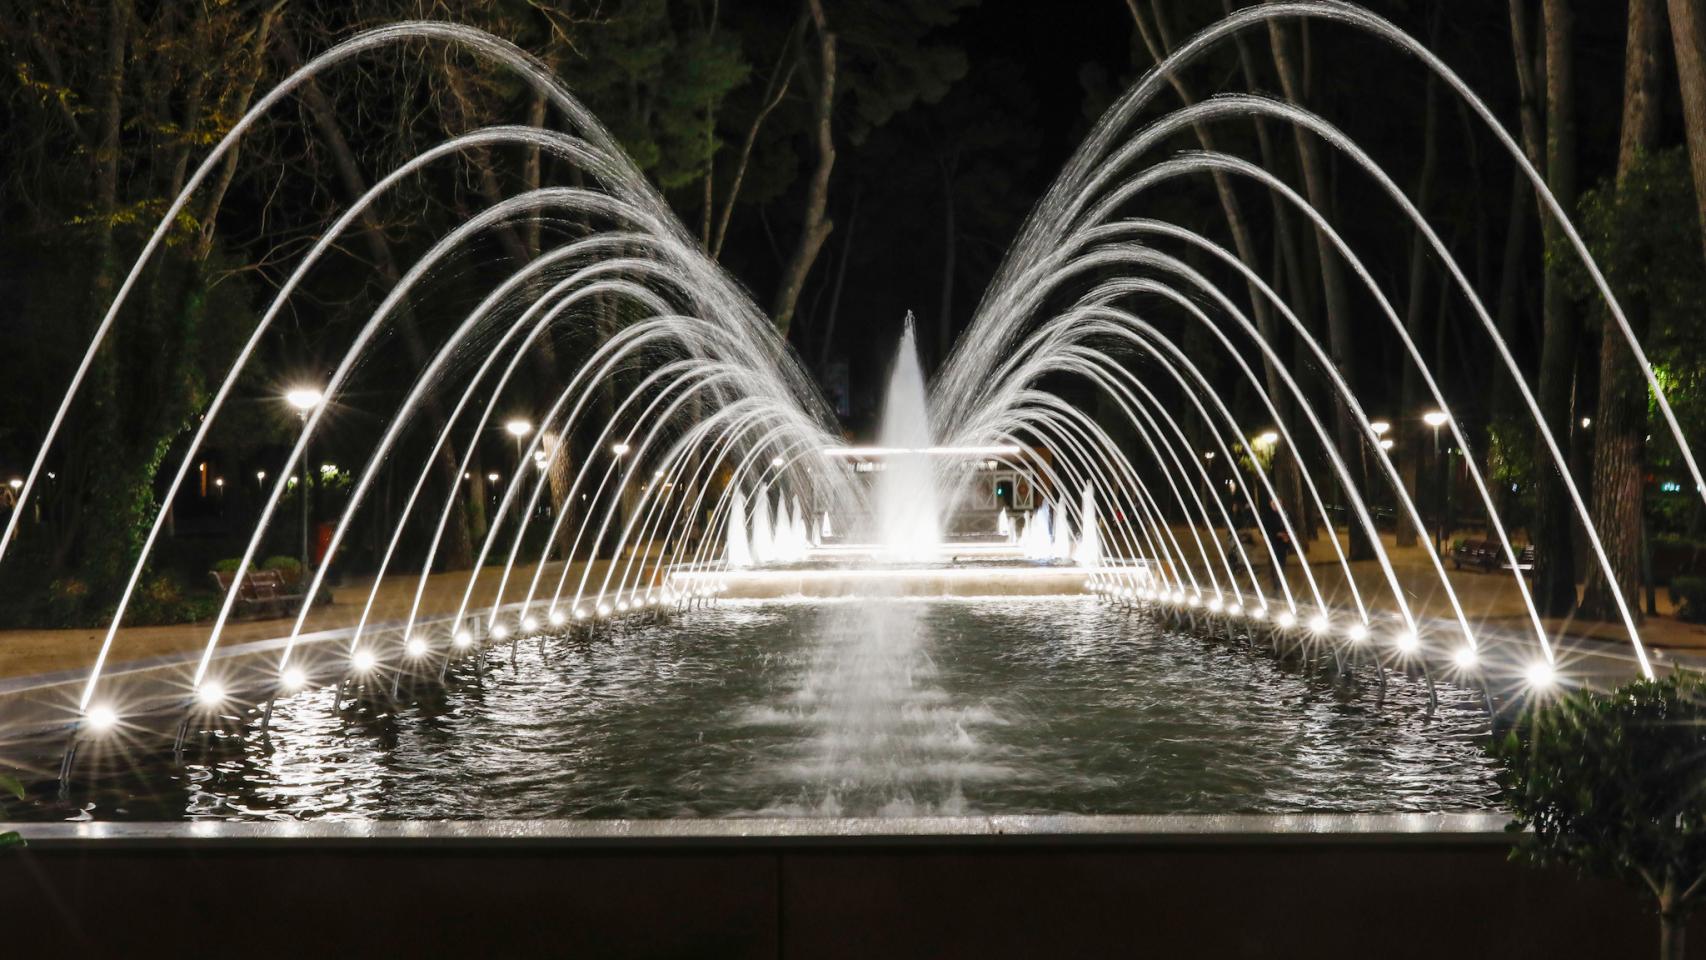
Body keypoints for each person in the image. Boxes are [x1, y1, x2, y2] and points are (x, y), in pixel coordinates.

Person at [1257, 496, 1291, 591]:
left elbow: (1291, 525)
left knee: (1282, 562)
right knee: (1274, 563)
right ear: (1271, 503)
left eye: (1279, 503)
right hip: (1273, 542)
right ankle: (1275, 583)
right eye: (1275, 503)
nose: (1277, 505)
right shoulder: (1267, 515)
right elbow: (1263, 530)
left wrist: (1287, 535)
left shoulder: (1285, 513)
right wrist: (1277, 534)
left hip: (1283, 542)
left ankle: (1280, 581)